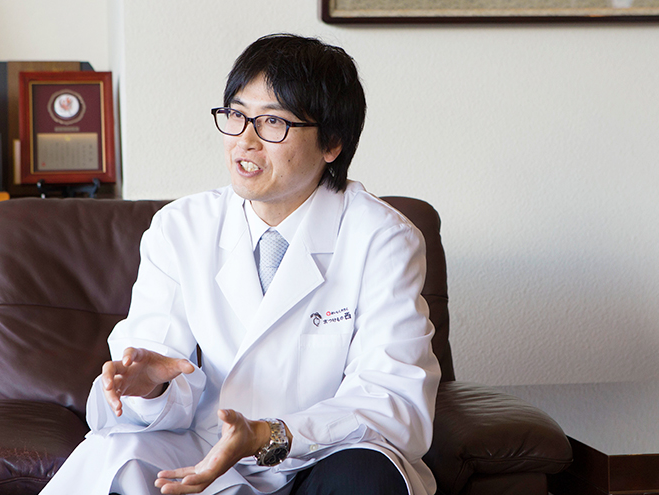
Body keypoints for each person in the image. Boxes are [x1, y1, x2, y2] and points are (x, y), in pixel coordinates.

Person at [40, 33, 441, 495]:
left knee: (366, 475)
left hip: (320, 456)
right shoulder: (181, 227)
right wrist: (151, 387)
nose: (244, 141)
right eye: (235, 115)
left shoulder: (382, 238)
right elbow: (152, 365)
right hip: (205, 452)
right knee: (111, 457)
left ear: (332, 143)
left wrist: (268, 435)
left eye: (272, 122)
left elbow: (393, 401)